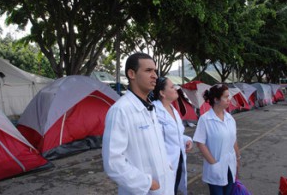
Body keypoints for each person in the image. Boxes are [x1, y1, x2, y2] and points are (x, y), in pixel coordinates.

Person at [102, 53, 175, 195]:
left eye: (155, 71)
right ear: (131, 74)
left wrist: (168, 167)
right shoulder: (120, 110)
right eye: (148, 71)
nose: (155, 75)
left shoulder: (150, 107)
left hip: (165, 187)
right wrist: (147, 183)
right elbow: (113, 162)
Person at [193, 84, 241, 195]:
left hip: (230, 165)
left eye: (229, 96)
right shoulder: (205, 119)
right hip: (215, 166)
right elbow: (200, 143)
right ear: (216, 100)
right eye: (226, 97)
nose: (229, 99)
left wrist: (238, 158)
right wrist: (214, 163)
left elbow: (233, 140)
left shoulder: (230, 118)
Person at [152, 77, 193, 195]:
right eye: (171, 87)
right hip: (165, 165)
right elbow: (154, 140)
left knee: (173, 190)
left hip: (178, 161)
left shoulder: (173, 109)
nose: (175, 89)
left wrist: (187, 140)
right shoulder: (154, 110)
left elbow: (177, 134)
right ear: (162, 93)